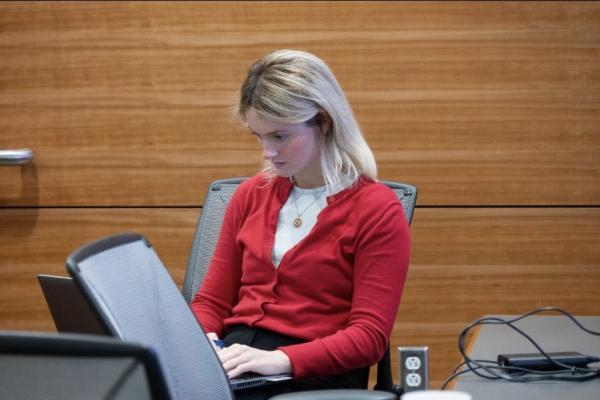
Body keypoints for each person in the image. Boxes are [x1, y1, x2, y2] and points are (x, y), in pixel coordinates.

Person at [191, 49, 410, 398]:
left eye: (279, 136)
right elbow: (211, 303)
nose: (267, 151)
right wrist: (197, 347)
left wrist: (279, 359)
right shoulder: (249, 195)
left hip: (314, 374)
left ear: (323, 122)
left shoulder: (376, 208)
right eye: (258, 136)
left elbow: (369, 337)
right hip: (237, 361)